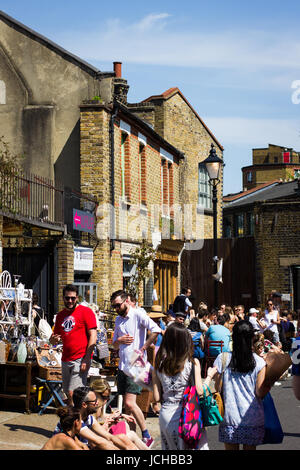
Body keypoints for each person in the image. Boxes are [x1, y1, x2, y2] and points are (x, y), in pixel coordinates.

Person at [152, 322, 216, 450]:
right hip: (188, 414)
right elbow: (200, 391)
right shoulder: (192, 363)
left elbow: (156, 397)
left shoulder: (158, 365)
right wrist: (209, 376)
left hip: (166, 414)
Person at [111, 289, 161, 447]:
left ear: (126, 301)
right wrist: (119, 339)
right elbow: (114, 344)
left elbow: (156, 330)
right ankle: (133, 438)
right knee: (128, 408)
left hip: (136, 364)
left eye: (117, 305)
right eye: (114, 306)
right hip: (123, 365)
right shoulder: (118, 319)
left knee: (130, 403)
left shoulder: (138, 314)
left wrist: (144, 347)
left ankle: (146, 434)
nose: (116, 309)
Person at [212, 320, 271, 450]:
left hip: (229, 417)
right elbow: (260, 393)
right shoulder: (259, 362)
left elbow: (217, 388)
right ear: (251, 338)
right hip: (252, 417)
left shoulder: (223, 358)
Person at [50, 284, 97, 405]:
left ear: (77, 298)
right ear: (63, 298)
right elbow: (55, 340)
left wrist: (87, 358)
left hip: (80, 358)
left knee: (74, 392)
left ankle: (77, 419)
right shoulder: (60, 316)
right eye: (67, 298)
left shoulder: (86, 312)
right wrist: (53, 340)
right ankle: (75, 418)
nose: (70, 301)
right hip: (66, 358)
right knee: (67, 392)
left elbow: (93, 335)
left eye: (73, 298)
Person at [54, 386, 138, 450]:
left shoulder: (89, 418)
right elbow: (98, 441)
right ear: (84, 405)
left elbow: (109, 437)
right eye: (94, 401)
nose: (97, 403)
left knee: (122, 437)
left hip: (85, 446)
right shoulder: (75, 420)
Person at [90, 378, 149, 450]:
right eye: (103, 397)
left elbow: (100, 418)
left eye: (108, 398)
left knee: (124, 424)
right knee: (131, 435)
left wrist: (120, 415)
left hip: (102, 437)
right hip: (98, 442)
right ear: (95, 393)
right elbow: (93, 436)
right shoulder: (91, 408)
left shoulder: (98, 406)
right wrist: (107, 424)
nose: (105, 401)